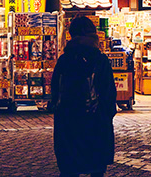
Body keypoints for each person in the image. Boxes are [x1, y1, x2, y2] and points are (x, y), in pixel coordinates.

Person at [49, 16, 117, 177]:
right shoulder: (100, 60)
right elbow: (109, 93)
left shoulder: (64, 60)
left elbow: (55, 92)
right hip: (96, 123)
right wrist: (106, 116)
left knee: (69, 169)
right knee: (96, 168)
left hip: (68, 124)